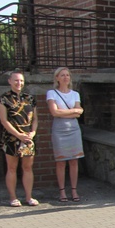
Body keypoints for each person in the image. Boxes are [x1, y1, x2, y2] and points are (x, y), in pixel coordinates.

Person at [0, 71, 39, 207]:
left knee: (27, 167)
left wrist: (32, 133)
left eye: (21, 80)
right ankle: (13, 197)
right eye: (16, 80)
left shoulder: (30, 98)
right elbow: (4, 121)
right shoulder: (3, 99)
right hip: (11, 138)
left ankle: (29, 197)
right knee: (12, 168)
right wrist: (18, 135)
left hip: (27, 138)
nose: (19, 83)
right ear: (9, 81)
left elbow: (35, 119)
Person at [46, 67, 84, 202]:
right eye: (62, 75)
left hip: (73, 129)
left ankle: (74, 190)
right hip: (59, 130)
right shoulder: (52, 93)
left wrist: (69, 112)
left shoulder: (75, 94)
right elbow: (55, 112)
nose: (65, 77)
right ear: (57, 78)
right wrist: (73, 111)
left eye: (67, 75)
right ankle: (62, 191)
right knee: (61, 161)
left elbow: (80, 112)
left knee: (74, 160)